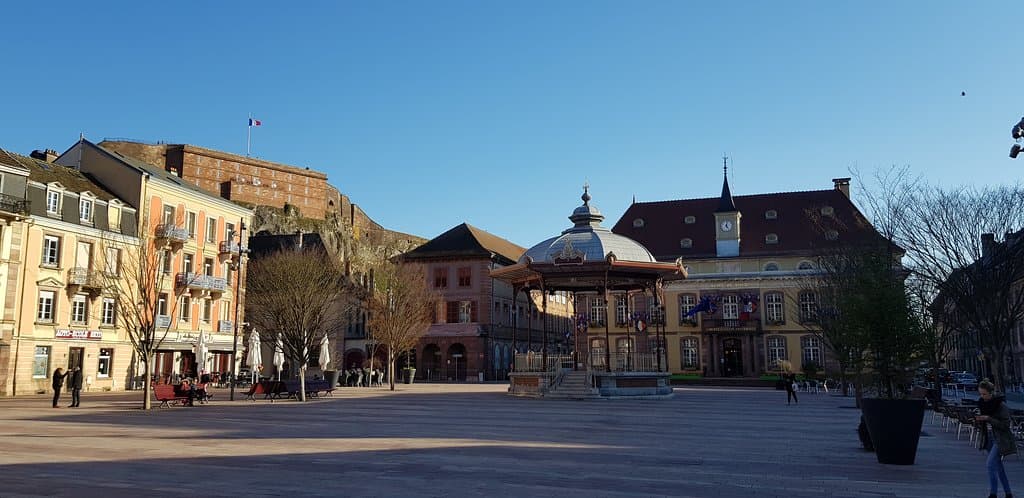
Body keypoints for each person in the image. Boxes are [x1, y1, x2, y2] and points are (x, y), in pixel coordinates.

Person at [976, 379, 1015, 498]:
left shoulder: (1000, 405)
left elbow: (1005, 425)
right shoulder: (982, 403)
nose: (982, 396)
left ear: (991, 393)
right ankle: (1008, 493)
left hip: (1000, 439)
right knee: (998, 467)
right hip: (989, 438)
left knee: (990, 464)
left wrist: (988, 418)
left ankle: (993, 494)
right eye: (980, 394)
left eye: (984, 394)